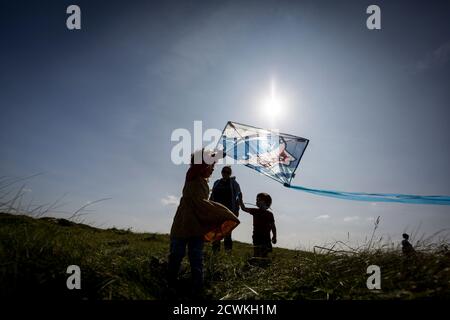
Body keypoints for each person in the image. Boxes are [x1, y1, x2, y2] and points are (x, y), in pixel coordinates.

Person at [167, 149, 240, 295]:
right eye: (211, 166)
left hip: (197, 222)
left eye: (214, 166)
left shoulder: (205, 183)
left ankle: (197, 286)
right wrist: (217, 155)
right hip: (183, 221)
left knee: (196, 255)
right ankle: (170, 281)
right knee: (177, 253)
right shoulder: (192, 175)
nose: (213, 169)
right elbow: (201, 164)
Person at [209, 166, 241, 252]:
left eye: (227, 172)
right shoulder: (217, 182)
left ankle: (228, 253)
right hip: (216, 211)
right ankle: (215, 253)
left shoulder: (234, 183)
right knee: (216, 232)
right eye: (224, 171)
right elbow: (212, 195)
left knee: (227, 233)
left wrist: (238, 209)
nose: (225, 173)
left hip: (229, 211)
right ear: (221, 172)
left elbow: (239, 195)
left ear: (230, 174)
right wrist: (208, 205)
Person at [239, 192, 277, 258]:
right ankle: (255, 262)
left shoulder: (270, 214)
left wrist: (274, 236)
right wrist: (240, 200)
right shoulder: (255, 211)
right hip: (256, 236)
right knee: (257, 252)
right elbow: (243, 208)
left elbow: (273, 226)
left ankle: (262, 263)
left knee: (265, 253)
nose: (256, 201)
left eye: (258, 200)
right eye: (256, 200)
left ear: (266, 202)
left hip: (266, 237)